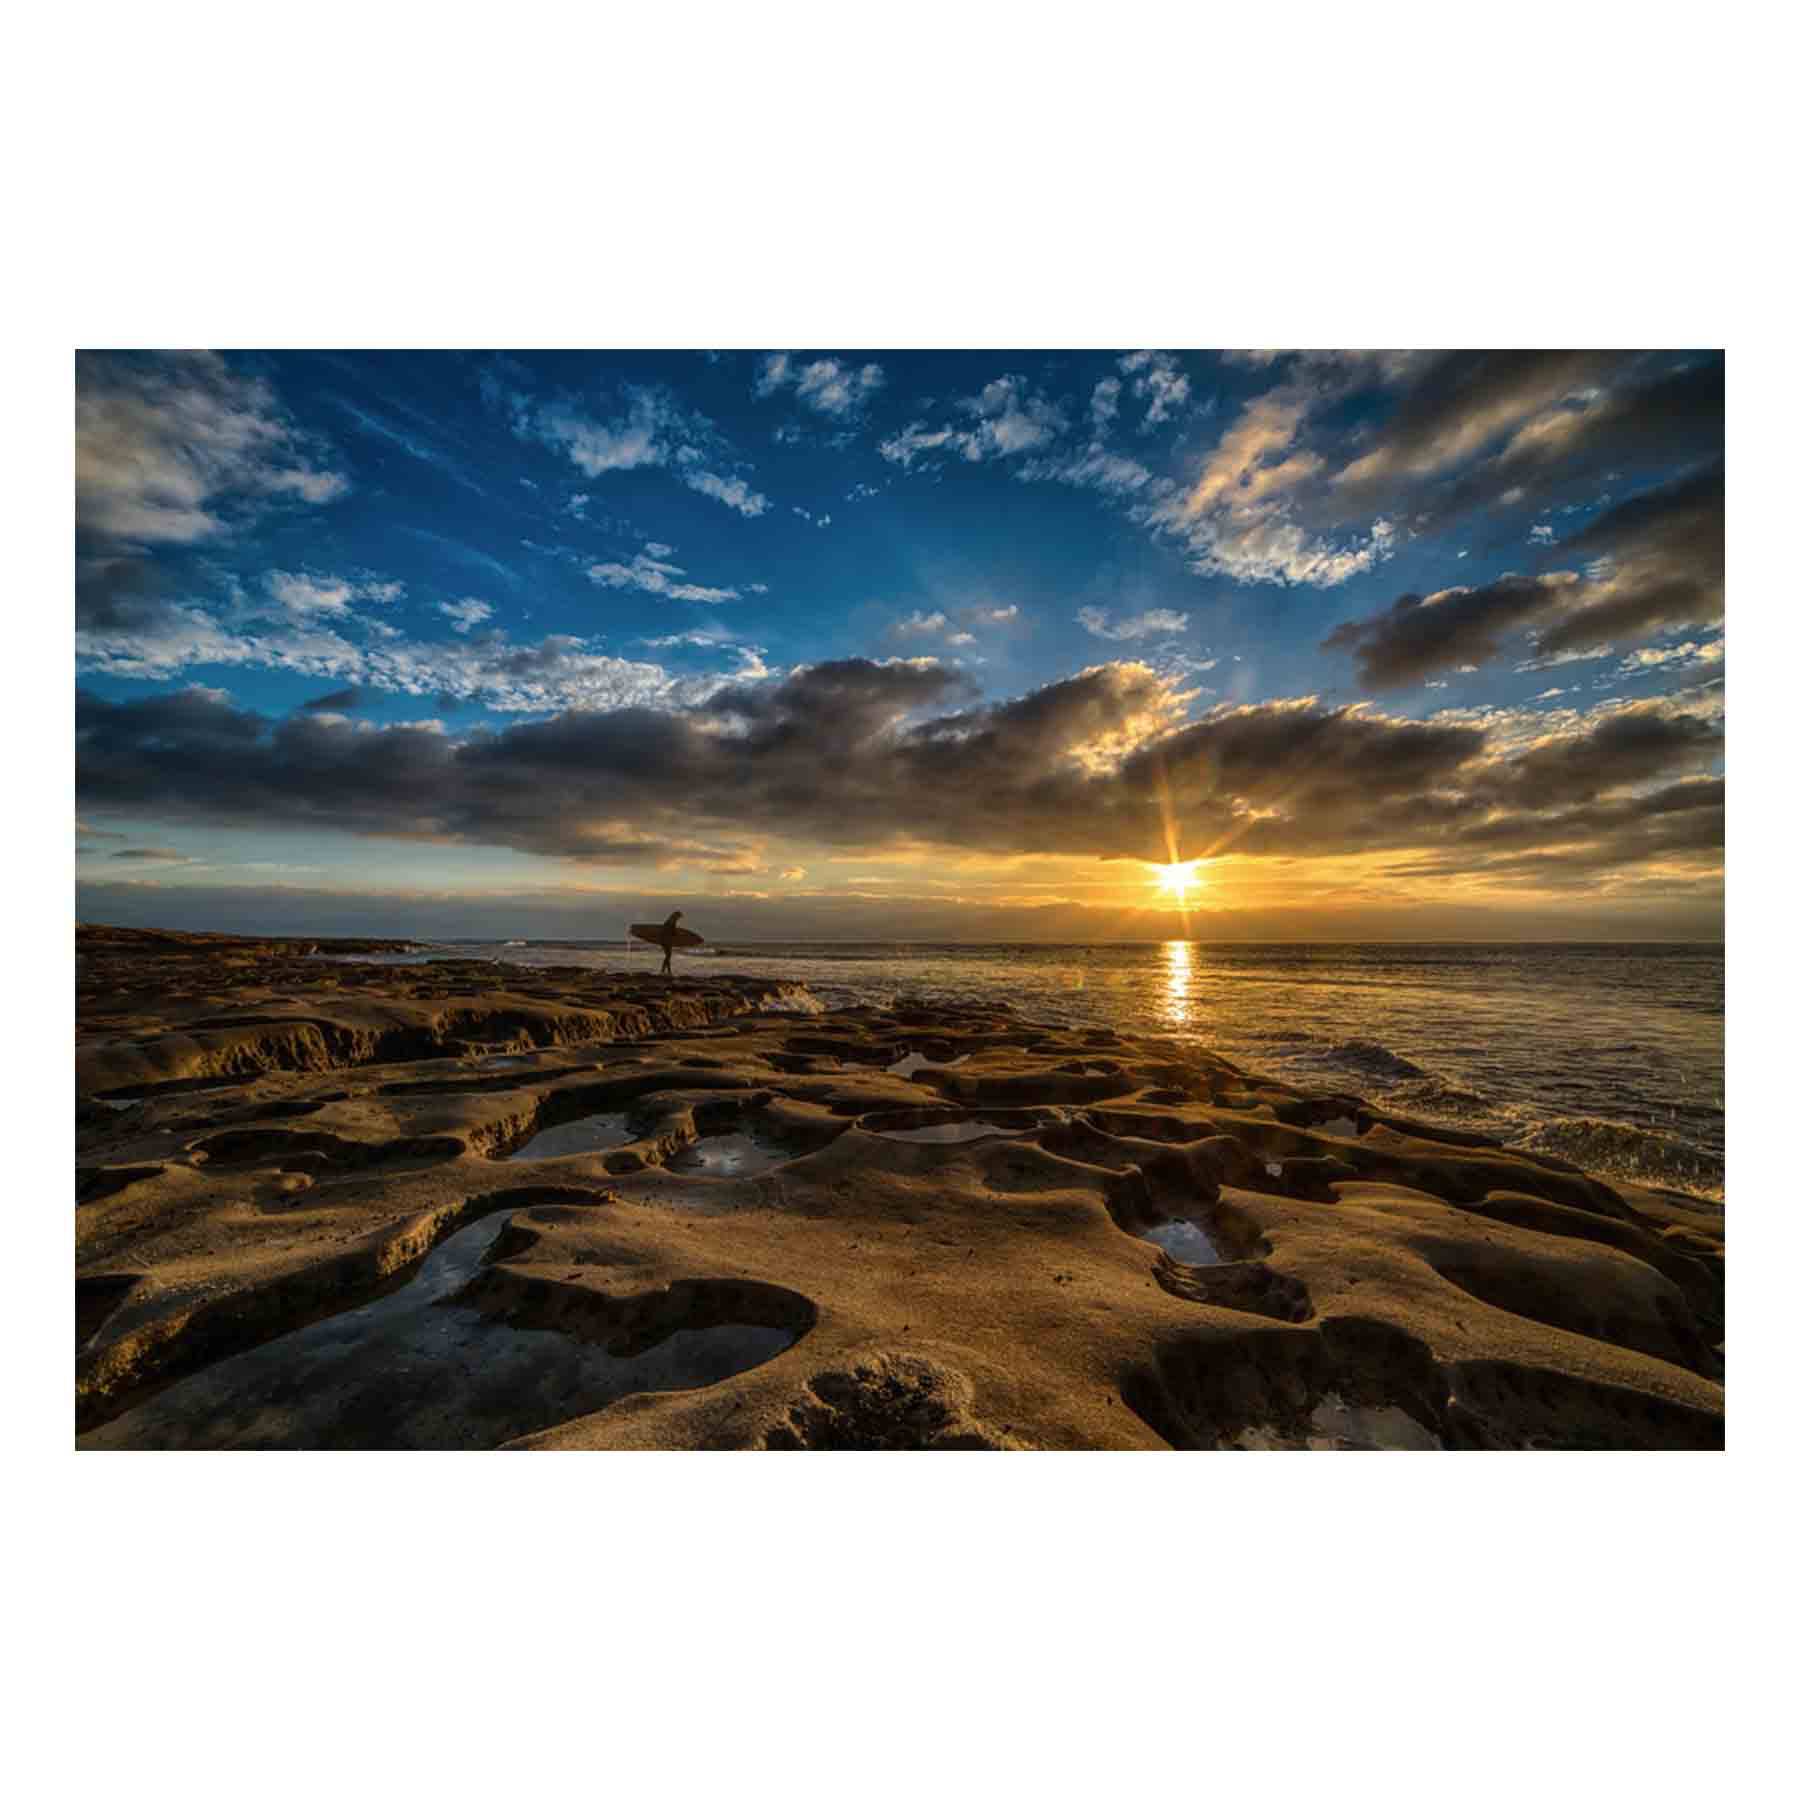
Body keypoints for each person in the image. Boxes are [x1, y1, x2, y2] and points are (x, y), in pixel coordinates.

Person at [658, 909, 684, 977]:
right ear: (676, 916)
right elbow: (673, 932)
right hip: (666, 941)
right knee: (668, 956)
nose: (679, 918)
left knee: (668, 956)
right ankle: (664, 971)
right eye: (679, 917)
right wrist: (679, 934)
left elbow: (669, 931)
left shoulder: (669, 921)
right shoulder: (672, 921)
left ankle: (667, 971)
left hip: (665, 941)